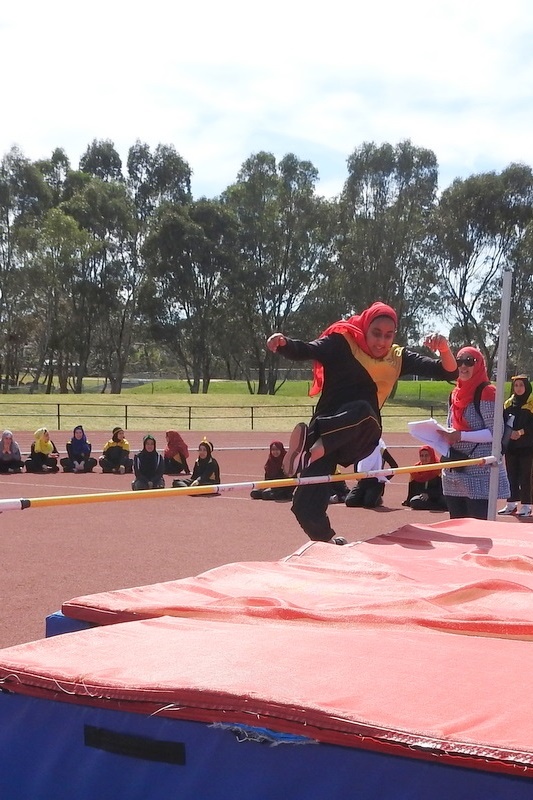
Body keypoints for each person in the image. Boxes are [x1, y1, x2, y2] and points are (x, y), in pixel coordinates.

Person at [267, 301, 457, 544]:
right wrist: (283, 343)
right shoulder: (343, 342)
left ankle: (309, 453)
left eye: (388, 336)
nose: (381, 342)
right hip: (325, 434)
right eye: (376, 334)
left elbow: (448, 372)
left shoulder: (398, 357)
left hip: (362, 434)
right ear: (365, 328)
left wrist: (444, 348)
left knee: (363, 410)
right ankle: (328, 540)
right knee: (304, 505)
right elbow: (306, 349)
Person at [438, 346, 509, 520]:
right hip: (454, 470)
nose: (463, 366)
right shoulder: (455, 393)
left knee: (479, 529)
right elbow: (451, 424)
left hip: (479, 472)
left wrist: (460, 436)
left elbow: (495, 433)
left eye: (469, 362)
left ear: (478, 365)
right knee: (457, 528)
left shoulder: (487, 391)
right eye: (460, 361)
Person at [498, 375, 533, 517]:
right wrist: (509, 433)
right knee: (511, 475)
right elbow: (503, 422)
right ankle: (511, 504)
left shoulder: (531, 404)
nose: (518, 388)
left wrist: (521, 432)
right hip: (511, 446)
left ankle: (526, 505)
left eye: (521, 385)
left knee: (526, 476)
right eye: (516, 385)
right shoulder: (508, 404)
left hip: (528, 446)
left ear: (527, 387)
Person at [345, 438, 398, 508]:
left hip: (376, 483)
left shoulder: (381, 449)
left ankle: (376, 497)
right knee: (349, 502)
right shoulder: (361, 447)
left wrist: (383, 479)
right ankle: (365, 496)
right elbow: (356, 461)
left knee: (369, 504)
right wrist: (357, 475)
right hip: (363, 482)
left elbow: (394, 465)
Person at [402, 445, 447, 511]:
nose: (424, 458)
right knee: (414, 502)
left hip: (438, 496)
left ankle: (441, 507)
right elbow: (412, 488)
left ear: (431, 455)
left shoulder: (438, 468)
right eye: (422, 456)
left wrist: (429, 494)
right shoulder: (416, 469)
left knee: (445, 500)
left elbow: (442, 489)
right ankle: (439, 507)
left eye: (426, 455)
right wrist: (408, 500)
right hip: (423, 498)